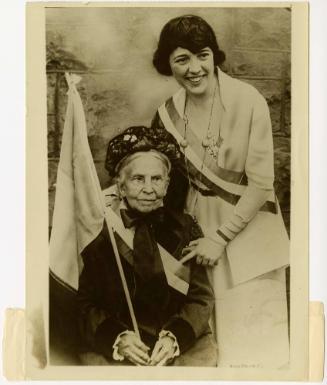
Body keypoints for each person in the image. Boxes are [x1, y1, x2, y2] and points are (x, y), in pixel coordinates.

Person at [151, 15, 290, 368]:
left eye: (202, 55)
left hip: (249, 233)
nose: (195, 68)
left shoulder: (249, 101)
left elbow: (261, 184)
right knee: (206, 345)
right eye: (182, 59)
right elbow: (166, 183)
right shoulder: (166, 114)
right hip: (198, 237)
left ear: (214, 56)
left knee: (255, 352)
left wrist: (220, 237)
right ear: (167, 63)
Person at [77, 125, 217, 366]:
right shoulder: (100, 231)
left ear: (167, 184)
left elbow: (201, 298)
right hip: (115, 349)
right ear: (121, 186)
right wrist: (117, 338)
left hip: (179, 348)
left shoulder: (185, 228)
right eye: (138, 179)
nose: (149, 189)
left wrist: (175, 338)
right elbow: (84, 303)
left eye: (157, 179)